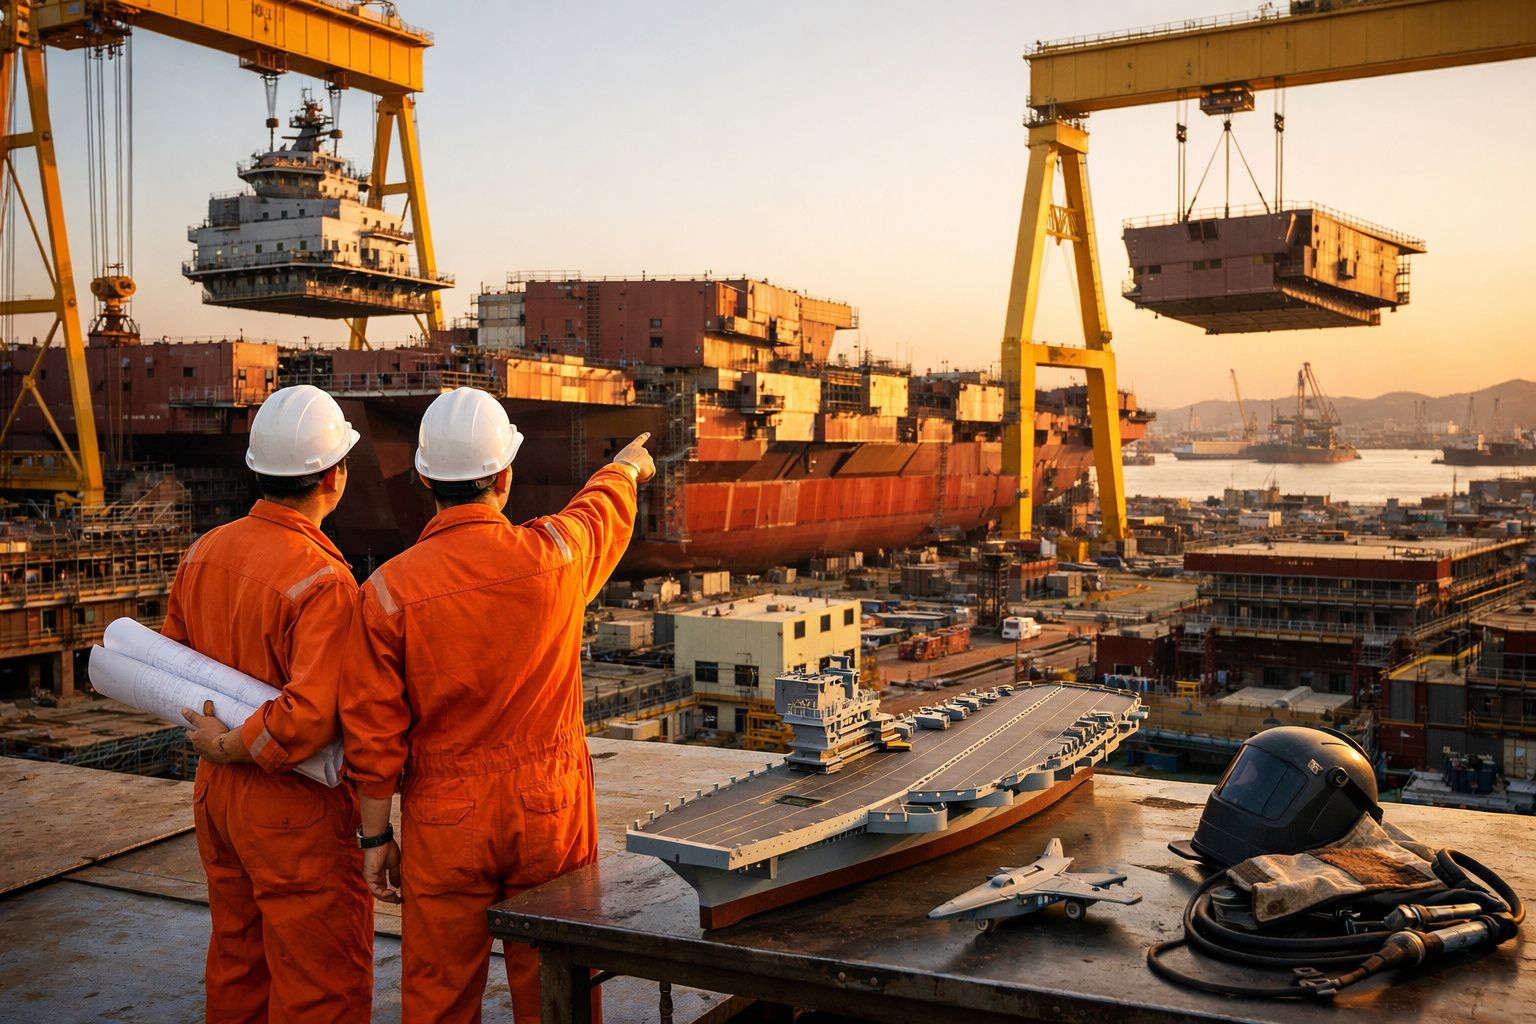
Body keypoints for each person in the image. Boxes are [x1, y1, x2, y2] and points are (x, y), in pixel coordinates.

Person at [342, 387, 652, 1022]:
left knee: (439, 990)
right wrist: (624, 468)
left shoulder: (385, 593)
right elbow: (597, 514)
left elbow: (373, 735)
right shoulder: (556, 559)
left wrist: (374, 836)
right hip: (548, 808)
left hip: (445, 820)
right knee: (557, 980)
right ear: (506, 476)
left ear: (424, 476)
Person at [175, 384, 373, 1023]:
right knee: (320, 982)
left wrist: (216, 744)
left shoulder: (204, 551)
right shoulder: (323, 580)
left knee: (238, 959)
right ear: (334, 476)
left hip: (217, 797)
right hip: (290, 808)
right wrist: (235, 743)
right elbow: (309, 717)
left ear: (258, 470)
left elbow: (175, 662)